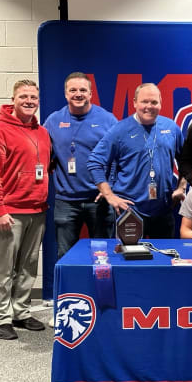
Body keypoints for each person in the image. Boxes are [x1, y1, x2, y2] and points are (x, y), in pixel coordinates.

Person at [0, 80, 51, 340]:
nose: (29, 101)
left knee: (28, 266)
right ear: (13, 99)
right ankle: (1, 318)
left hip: (37, 210)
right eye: (23, 96)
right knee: (2, 269)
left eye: (33, 97)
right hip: (8, 212)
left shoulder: (42, 132)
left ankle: (21, 312)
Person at [87, 83, 184, 238]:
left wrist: (181, 188)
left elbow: (186, 161)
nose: (149, 106)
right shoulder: (120, 130)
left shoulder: (171, 128)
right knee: (128, 260)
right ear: (134, 103)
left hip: (163, 210)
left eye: (154, 102)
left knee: (164, 260)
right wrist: (109, 195)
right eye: (144, 102)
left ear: (160, 103)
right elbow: (94, 161)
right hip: (130, 211)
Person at [44, 72, 117, 259]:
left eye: (83, 90)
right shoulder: (53, 121)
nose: (78, 94)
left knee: (103, 257)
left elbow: (119, 157)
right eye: (73, 90)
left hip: (99, 201)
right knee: (65, 256)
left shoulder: (108, 120)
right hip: (66, 202)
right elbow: (42, 154)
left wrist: (110, 185)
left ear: (91, 93)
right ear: (66, 94)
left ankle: (100, 290)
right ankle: (71, 290)